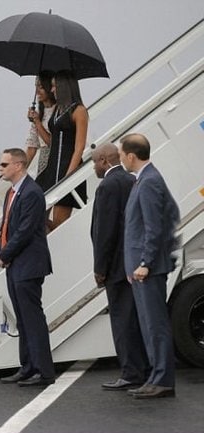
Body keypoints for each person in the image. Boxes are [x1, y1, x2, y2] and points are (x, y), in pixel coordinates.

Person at [119, 133, 180, 399]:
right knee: (148, 325)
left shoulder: (149, 182)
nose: (121, 158)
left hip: (149, 269)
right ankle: (156, 377)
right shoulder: (145, 180)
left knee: (155, 326)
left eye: (121, 153)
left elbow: (155, 228)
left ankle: (163, 379)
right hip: (142, 268)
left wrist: (145, 262)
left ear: (131, 156)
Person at [90, 143, 149, 390]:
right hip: (131, 262)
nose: (93, 167)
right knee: (134, 319)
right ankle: (142, 368)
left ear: (104, 160)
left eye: (94, 162)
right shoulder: (131, 179)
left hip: (115, 266)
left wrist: (99, 268)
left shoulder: (108, 185)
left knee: (122, 321)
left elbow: (105, 232)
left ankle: (131, 373)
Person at [0, 148, 55, 387]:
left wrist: (5, 253)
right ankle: (28, 366)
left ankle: (44, 371)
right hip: (16, 263)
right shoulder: (13, 192)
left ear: (18, 165)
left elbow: (25, 231)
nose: (0, 169)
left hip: (28, 264)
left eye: (4, 164)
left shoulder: (31, 192)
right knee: (22, 319)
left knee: (32, 319)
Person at [35, 70, 89, 231]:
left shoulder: (79, 111)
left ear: (64, 87)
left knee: (59, 223)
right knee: (37, 216)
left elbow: (79, 146)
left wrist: (69, 177)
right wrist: (37, 122)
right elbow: (52, 141)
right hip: (51, 170)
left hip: (67, 169)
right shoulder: (58, 109)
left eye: (54, 86)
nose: (52, 90)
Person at [26, 71, 56, 177]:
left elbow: (53, 143)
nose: (37, 91)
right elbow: (32, 147)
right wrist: (20, 172)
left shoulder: (58, 111)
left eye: (41, 87)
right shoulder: (39, 114)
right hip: (43, 162)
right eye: (36, 87)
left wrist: (38, 123)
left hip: (54, 161)